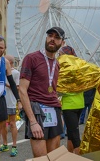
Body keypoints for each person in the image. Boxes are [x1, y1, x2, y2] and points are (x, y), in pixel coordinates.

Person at [19, 27, 65, 157]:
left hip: (54, 112)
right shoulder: (31, 58)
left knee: (54, 157)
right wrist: (33, 121)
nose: (52, 39)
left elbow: (53, 91)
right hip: (37, 110)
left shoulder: (57, 64)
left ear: (62, 42)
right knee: (41, 158)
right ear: (46, 38)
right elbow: (22, 90)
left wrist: (59, 114)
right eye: (50, 35)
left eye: (57, 37)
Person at [58, 45, 84, 154]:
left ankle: (77, 156)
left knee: (74, 136)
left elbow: (61, 89)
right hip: (80, 103)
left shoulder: (65, 69)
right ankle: (69, 156)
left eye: (60, 55)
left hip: (69, 105)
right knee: (71, 133)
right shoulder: (80, 67)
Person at [0, 54, 21, 157]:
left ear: (10, 63)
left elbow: (17, 88)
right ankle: (5, 144)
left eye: (5, 61)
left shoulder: (16, 73)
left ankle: (14, 146)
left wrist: (6, 84)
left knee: (12, 124)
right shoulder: (1, 72)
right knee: (3, 124)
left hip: (11, 102)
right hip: (1, 102)